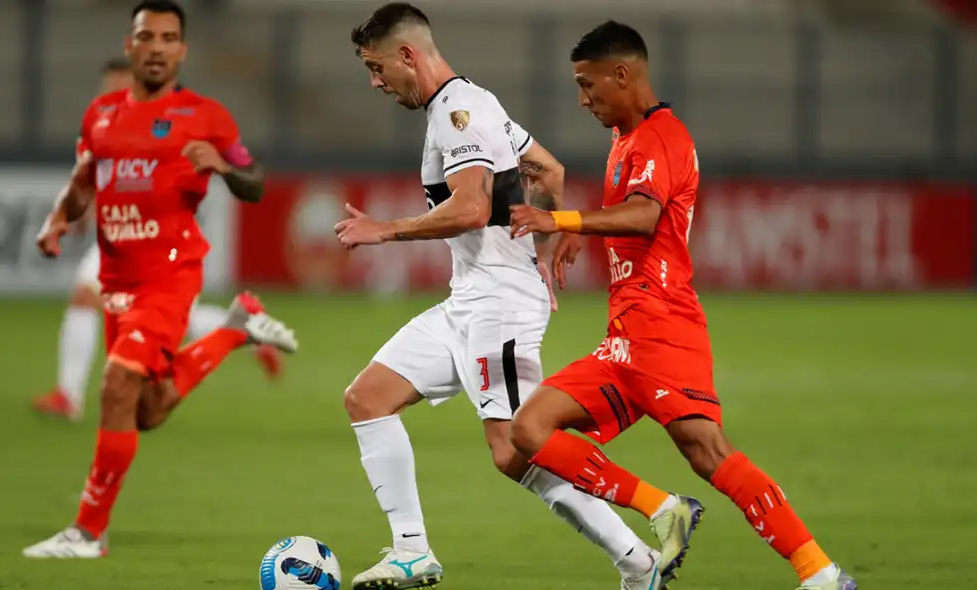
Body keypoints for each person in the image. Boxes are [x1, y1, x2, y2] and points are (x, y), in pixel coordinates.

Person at [507, 20, 858, 590]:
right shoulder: (625, 139)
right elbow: (635, 215)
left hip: (664, 328)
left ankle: (819, 573)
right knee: (529, 429)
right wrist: (585, 231)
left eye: (587, 83)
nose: (582, 98)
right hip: (623, 338)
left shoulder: (662, 136)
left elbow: (646, 216)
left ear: (622, 74)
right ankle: (662, 507)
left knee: (708, 451)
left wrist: (562, 219)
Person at [337, 4, 668, 589]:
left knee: (515, 449)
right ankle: (411, 549)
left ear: (407, 55)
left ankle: (637, 558)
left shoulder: (459, 114)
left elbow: (468, 209)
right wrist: (556, 239)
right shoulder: (470, 106)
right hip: (470, 298)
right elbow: (550, 169)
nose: (375, 82)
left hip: (499, 306)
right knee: (367, 398)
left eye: (376, 66)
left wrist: (384, 230)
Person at [22, 0, 298, 559]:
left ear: (182, 50)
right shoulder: (101, 114)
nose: (157, 47)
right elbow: (82, 183)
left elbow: (254, 180)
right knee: (145, 410)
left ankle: (87, 532)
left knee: (116, 385)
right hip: (115, 279)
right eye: (147, 36)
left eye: (169, 37)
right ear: (131, 44)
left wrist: (223, 167)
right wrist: (58, 219)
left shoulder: (206, 117)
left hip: (170, 274)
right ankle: (234, 329)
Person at [32, 57, 283, 423]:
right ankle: (243, 328)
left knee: (107, 304)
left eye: (120, 82)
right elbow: (93, 181)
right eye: (108, 84)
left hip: (157, 241)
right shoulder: (101, 126)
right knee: (106, 302)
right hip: (119, 239)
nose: (112, 91)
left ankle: (69, 396)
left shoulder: (161, 125)